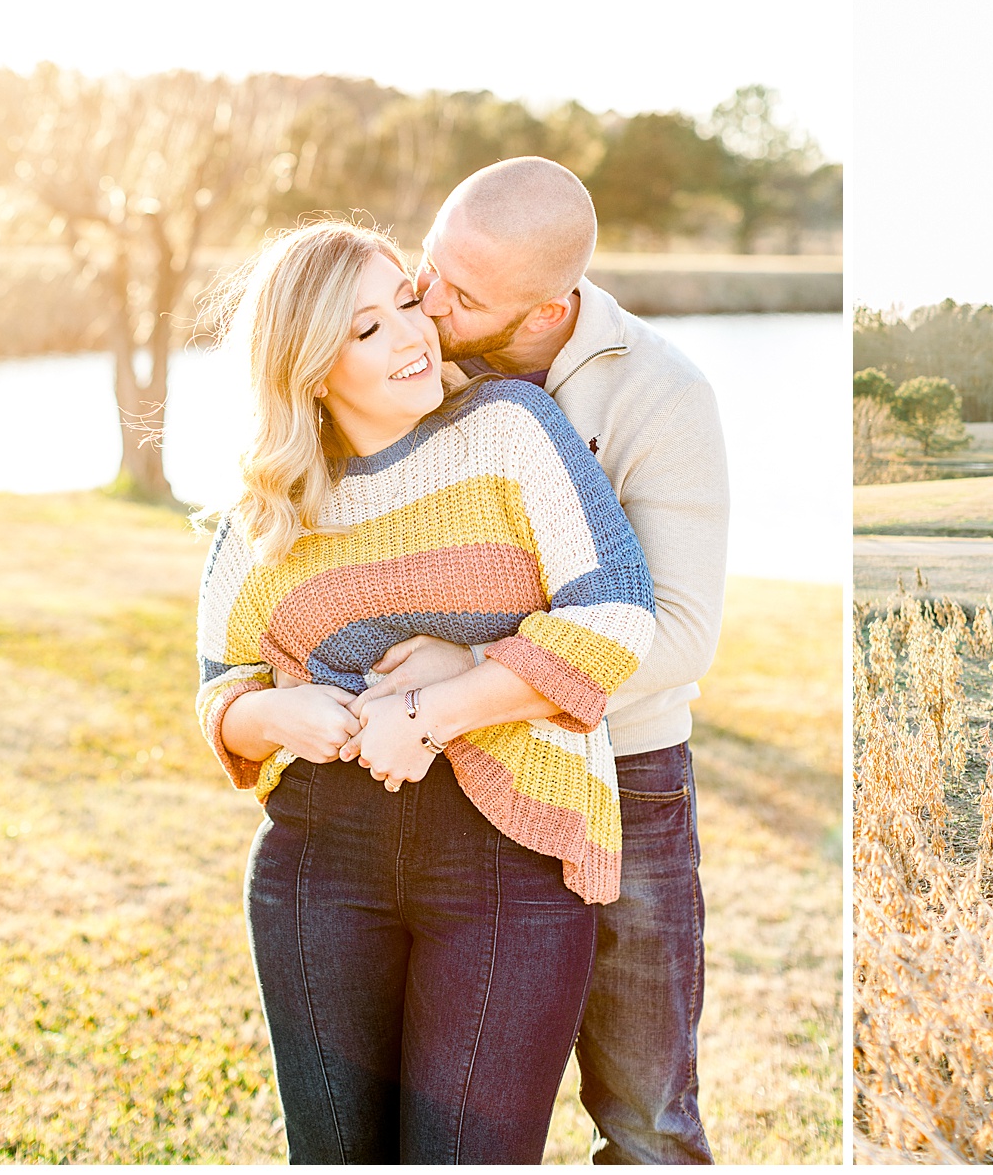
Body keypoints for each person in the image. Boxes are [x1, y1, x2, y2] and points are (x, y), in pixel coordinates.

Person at [195, 220, 657, 1163]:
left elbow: (616, 615)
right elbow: (219, 689)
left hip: (508, 856)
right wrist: (272, 713)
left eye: (406, 303)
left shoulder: (512, 430)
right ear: (311, 365)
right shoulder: (269, 506)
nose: (411, 336)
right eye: (366, 330)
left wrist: (428, 712)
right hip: (321, 862)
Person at [355, 157, 729, 1164]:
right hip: (446, 779)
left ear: (548, 311)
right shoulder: (416, 362)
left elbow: (685, 631)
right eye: (430, 267)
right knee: (445, 1118)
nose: (427, 304)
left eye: (462, 295)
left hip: (627, 780)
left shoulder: (663, 395)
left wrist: (468, 670)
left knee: (648, 1121)